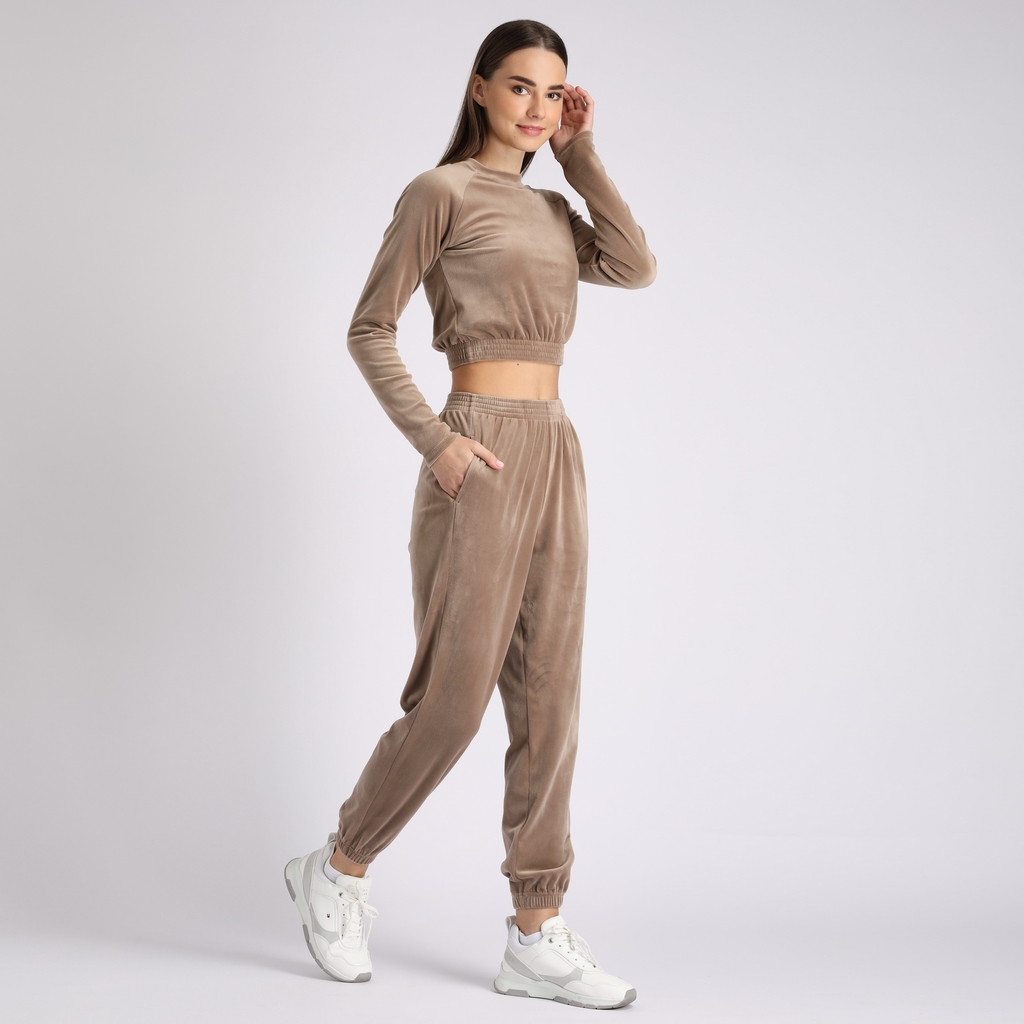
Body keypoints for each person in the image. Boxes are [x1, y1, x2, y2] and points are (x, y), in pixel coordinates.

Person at [284, 19, 655, 1010]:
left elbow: (634, 263)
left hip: (556, 448)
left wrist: (582, 157)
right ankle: (339, 865)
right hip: (476, 446)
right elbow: (369, 327)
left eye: (553, 93)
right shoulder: (439, 193)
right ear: (480, 88)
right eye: (521, 86)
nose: (536, 107)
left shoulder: (553, 207)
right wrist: (436, 442)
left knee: (549, 698)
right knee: (454, 697)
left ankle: (535, 930)